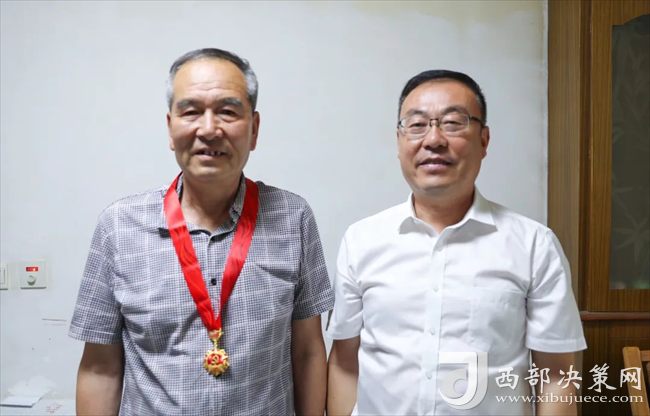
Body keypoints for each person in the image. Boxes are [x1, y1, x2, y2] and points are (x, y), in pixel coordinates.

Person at [70, 48, 334, 416]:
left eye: (228, 111)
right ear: (170, 128)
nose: (209, 129)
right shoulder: (118, 226)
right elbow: (100, 368)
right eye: (191, 111)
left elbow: (307, 352)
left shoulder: (293, 218)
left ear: (254, 129)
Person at [327, 70, 586, 415]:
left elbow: (556, 375)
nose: (433, 139)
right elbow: (345, 362)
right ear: (399, 141)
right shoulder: (362, 240)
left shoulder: (534, 246)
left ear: (484, 140)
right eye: (417, 125)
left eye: (452, 123)